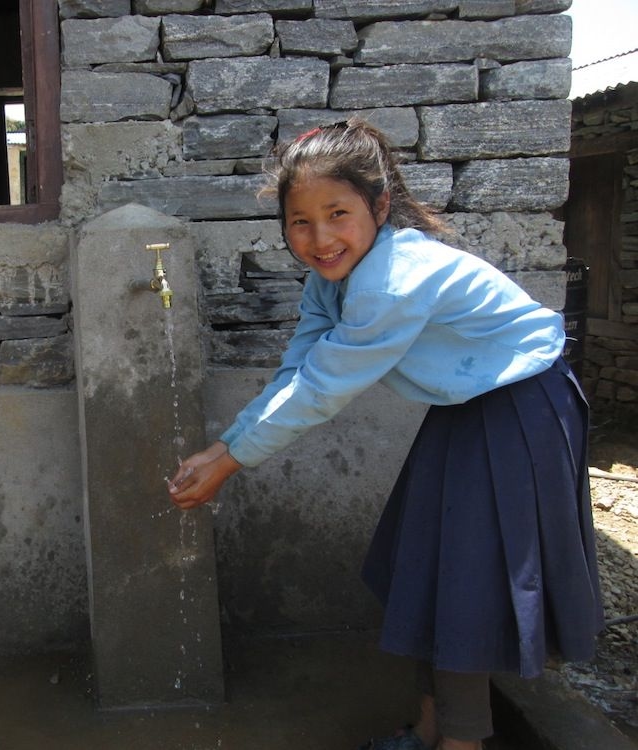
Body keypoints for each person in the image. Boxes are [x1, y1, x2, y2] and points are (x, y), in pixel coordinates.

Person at [167, 119, 604, 750]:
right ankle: (432, 730)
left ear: (380, 205)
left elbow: (324, 387)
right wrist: (224, 445)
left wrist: (232, 461)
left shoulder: (394, 278)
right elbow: (302, 364)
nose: (320, 238)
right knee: (427, 566)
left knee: (465, 583)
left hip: (521, 409)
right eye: (300, 222)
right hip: (470, 408)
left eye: (338, 213)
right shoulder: (333, 280)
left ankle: (459, 744)